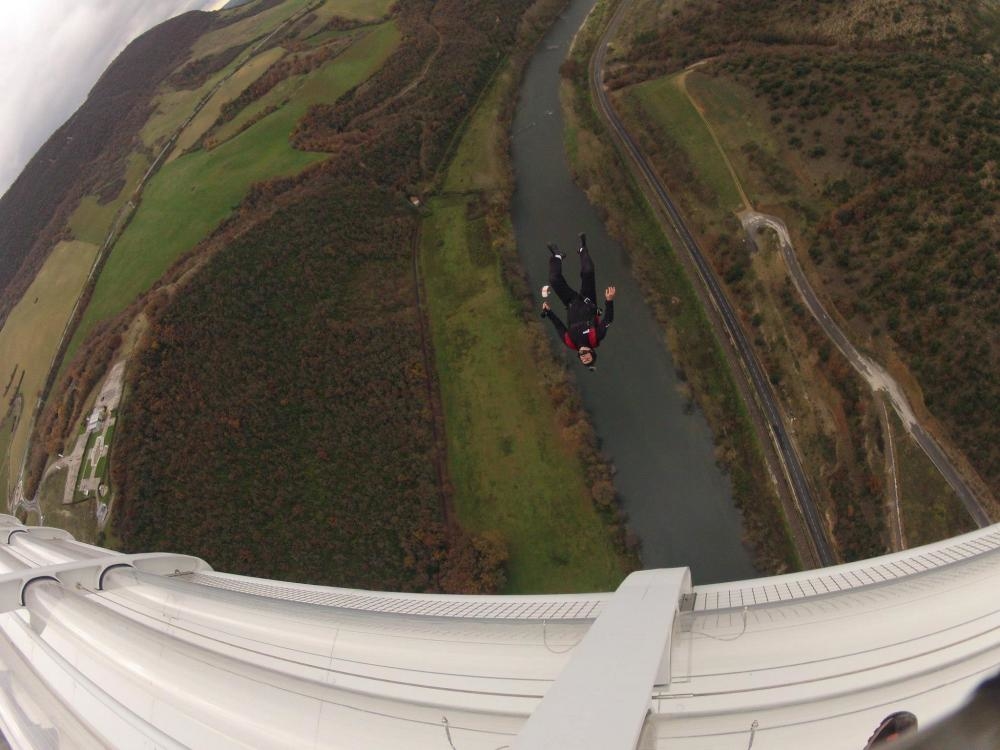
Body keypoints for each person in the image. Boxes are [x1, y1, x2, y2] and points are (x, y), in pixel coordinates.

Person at [540, 233, 615, 369]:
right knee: (588, 271)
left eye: (583, 360)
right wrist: (609, 301)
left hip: (571, 302)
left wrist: (549, 313)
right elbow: (608, 319)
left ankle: (557, 256)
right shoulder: (596, 336)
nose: (584, 358)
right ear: (592, 352)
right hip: (588, 300)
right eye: (588, 358)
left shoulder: (570, 342)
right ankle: (582, 249)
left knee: (554, 279)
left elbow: (559, 326)